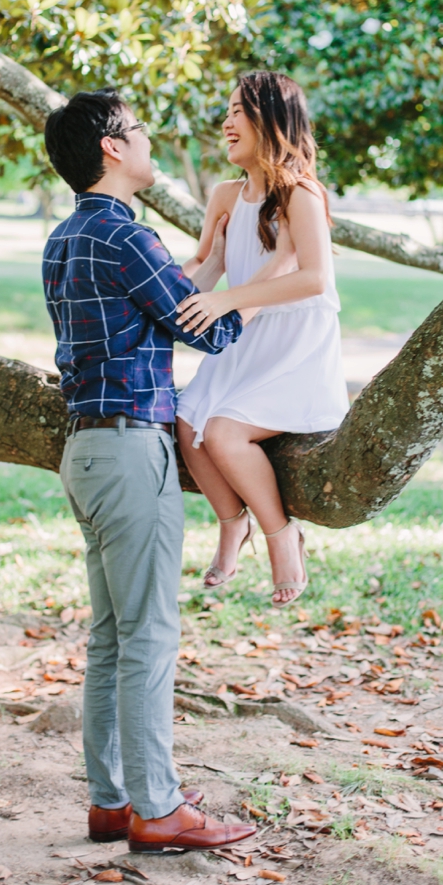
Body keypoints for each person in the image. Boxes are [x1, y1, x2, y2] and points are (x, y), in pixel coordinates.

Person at [42, 88, 257, 854]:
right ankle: (157, 808)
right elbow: (216, 331)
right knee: (150, 636)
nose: (147, 139)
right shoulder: (129, 238)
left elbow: (157, 302)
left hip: (87, 452)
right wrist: (271, 279)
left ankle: (112, 801)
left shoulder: (67, 238)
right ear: (111, 147)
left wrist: (207, 257)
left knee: (111, 636)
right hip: (133, 451)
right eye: (136, 130)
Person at [173, 72, 349, 608]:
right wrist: (171, 296)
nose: (225, 123)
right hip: (245, 335)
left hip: (294, 343)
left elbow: (315, 277)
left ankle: (281, 536)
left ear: (271, 121)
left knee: (223, 434)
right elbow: (205, 263)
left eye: (237, 112)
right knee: (185, 421)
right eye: (225, 112)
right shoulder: (224, 194)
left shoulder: (301, 194)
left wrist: (227, 300)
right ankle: (231, 523)